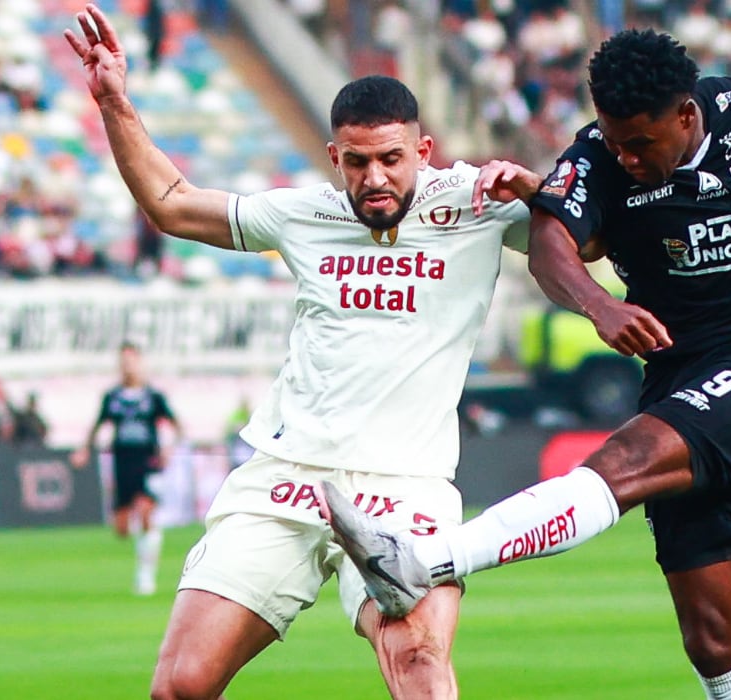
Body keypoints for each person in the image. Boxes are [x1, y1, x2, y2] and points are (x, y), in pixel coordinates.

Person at [322, 29, 731, 699]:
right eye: (614, 141)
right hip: (678, 379)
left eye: (640, 144)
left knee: (622, 461)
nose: (626, 157)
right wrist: (597, 306)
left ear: (686, 114)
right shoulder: (595, 156)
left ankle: (423, 562)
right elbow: (553, 239)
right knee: (716, 642)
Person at [65, 5, 539, 699]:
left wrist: (537, 191)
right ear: (334, 158)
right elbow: (171, 203)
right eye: (357, 161)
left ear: (424, 151)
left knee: (418, 664)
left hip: (405, 485)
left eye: (391, 159)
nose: (374, 177)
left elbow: (585, 239)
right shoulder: (302, 214)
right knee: (180, 686)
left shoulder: (477, 202)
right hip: (285, 476)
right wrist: (114, 101)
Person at [71, 341, 182, 596]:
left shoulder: (153, 397)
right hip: (122, 463)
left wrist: (169, 449)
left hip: (148, 461)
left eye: (131, 360)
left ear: (139, 362)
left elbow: (176, 425)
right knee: (121, 528)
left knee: (144, 513)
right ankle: (146, 542)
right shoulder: (112, 397)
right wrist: (85, 450)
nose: (127, 366)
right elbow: (97, 425)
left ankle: (145, 575)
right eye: (123, 361)